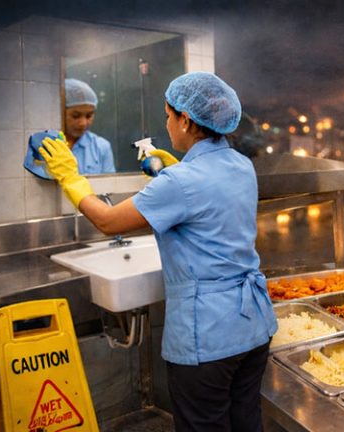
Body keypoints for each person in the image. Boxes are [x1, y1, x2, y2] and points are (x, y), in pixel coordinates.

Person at [40, 72, 277, 430]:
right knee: (245, 422)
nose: (166, 125)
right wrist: (178, 171)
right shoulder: (241, 165)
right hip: (254, 326)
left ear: (185, 119)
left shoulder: (179, 183)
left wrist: (71, 178)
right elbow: (209, 204)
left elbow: (107, 221)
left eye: (168, 116)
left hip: (209, 337)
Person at [64, 78, 116, 174]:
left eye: (89, 116)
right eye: (75, 116)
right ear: (60, 113)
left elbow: (110, 185)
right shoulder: (47, 145)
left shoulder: (101, 147)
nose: (83, 123)